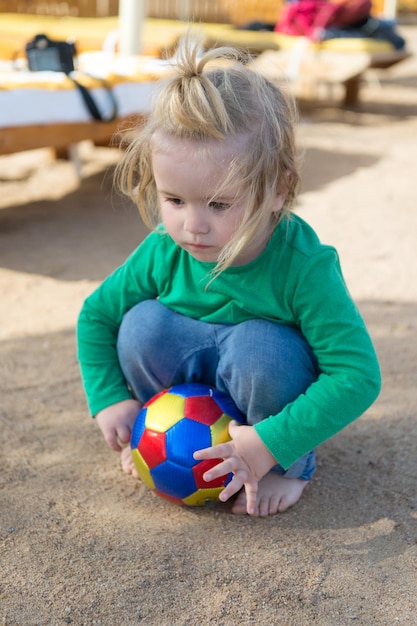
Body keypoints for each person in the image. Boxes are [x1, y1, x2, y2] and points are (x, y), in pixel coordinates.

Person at [77, 38, 381, 517]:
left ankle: (284, 465)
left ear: (278, 190)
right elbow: (97, 315)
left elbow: (358, 375)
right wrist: (110, 399)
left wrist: (269, 443)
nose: (192, 225)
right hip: (192, 393)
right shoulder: (165, 248)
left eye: (218, 204)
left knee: (258, 347)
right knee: (140, 325)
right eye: (174, 200)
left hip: (264, 397)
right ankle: (154, 440)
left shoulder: (303, 265)